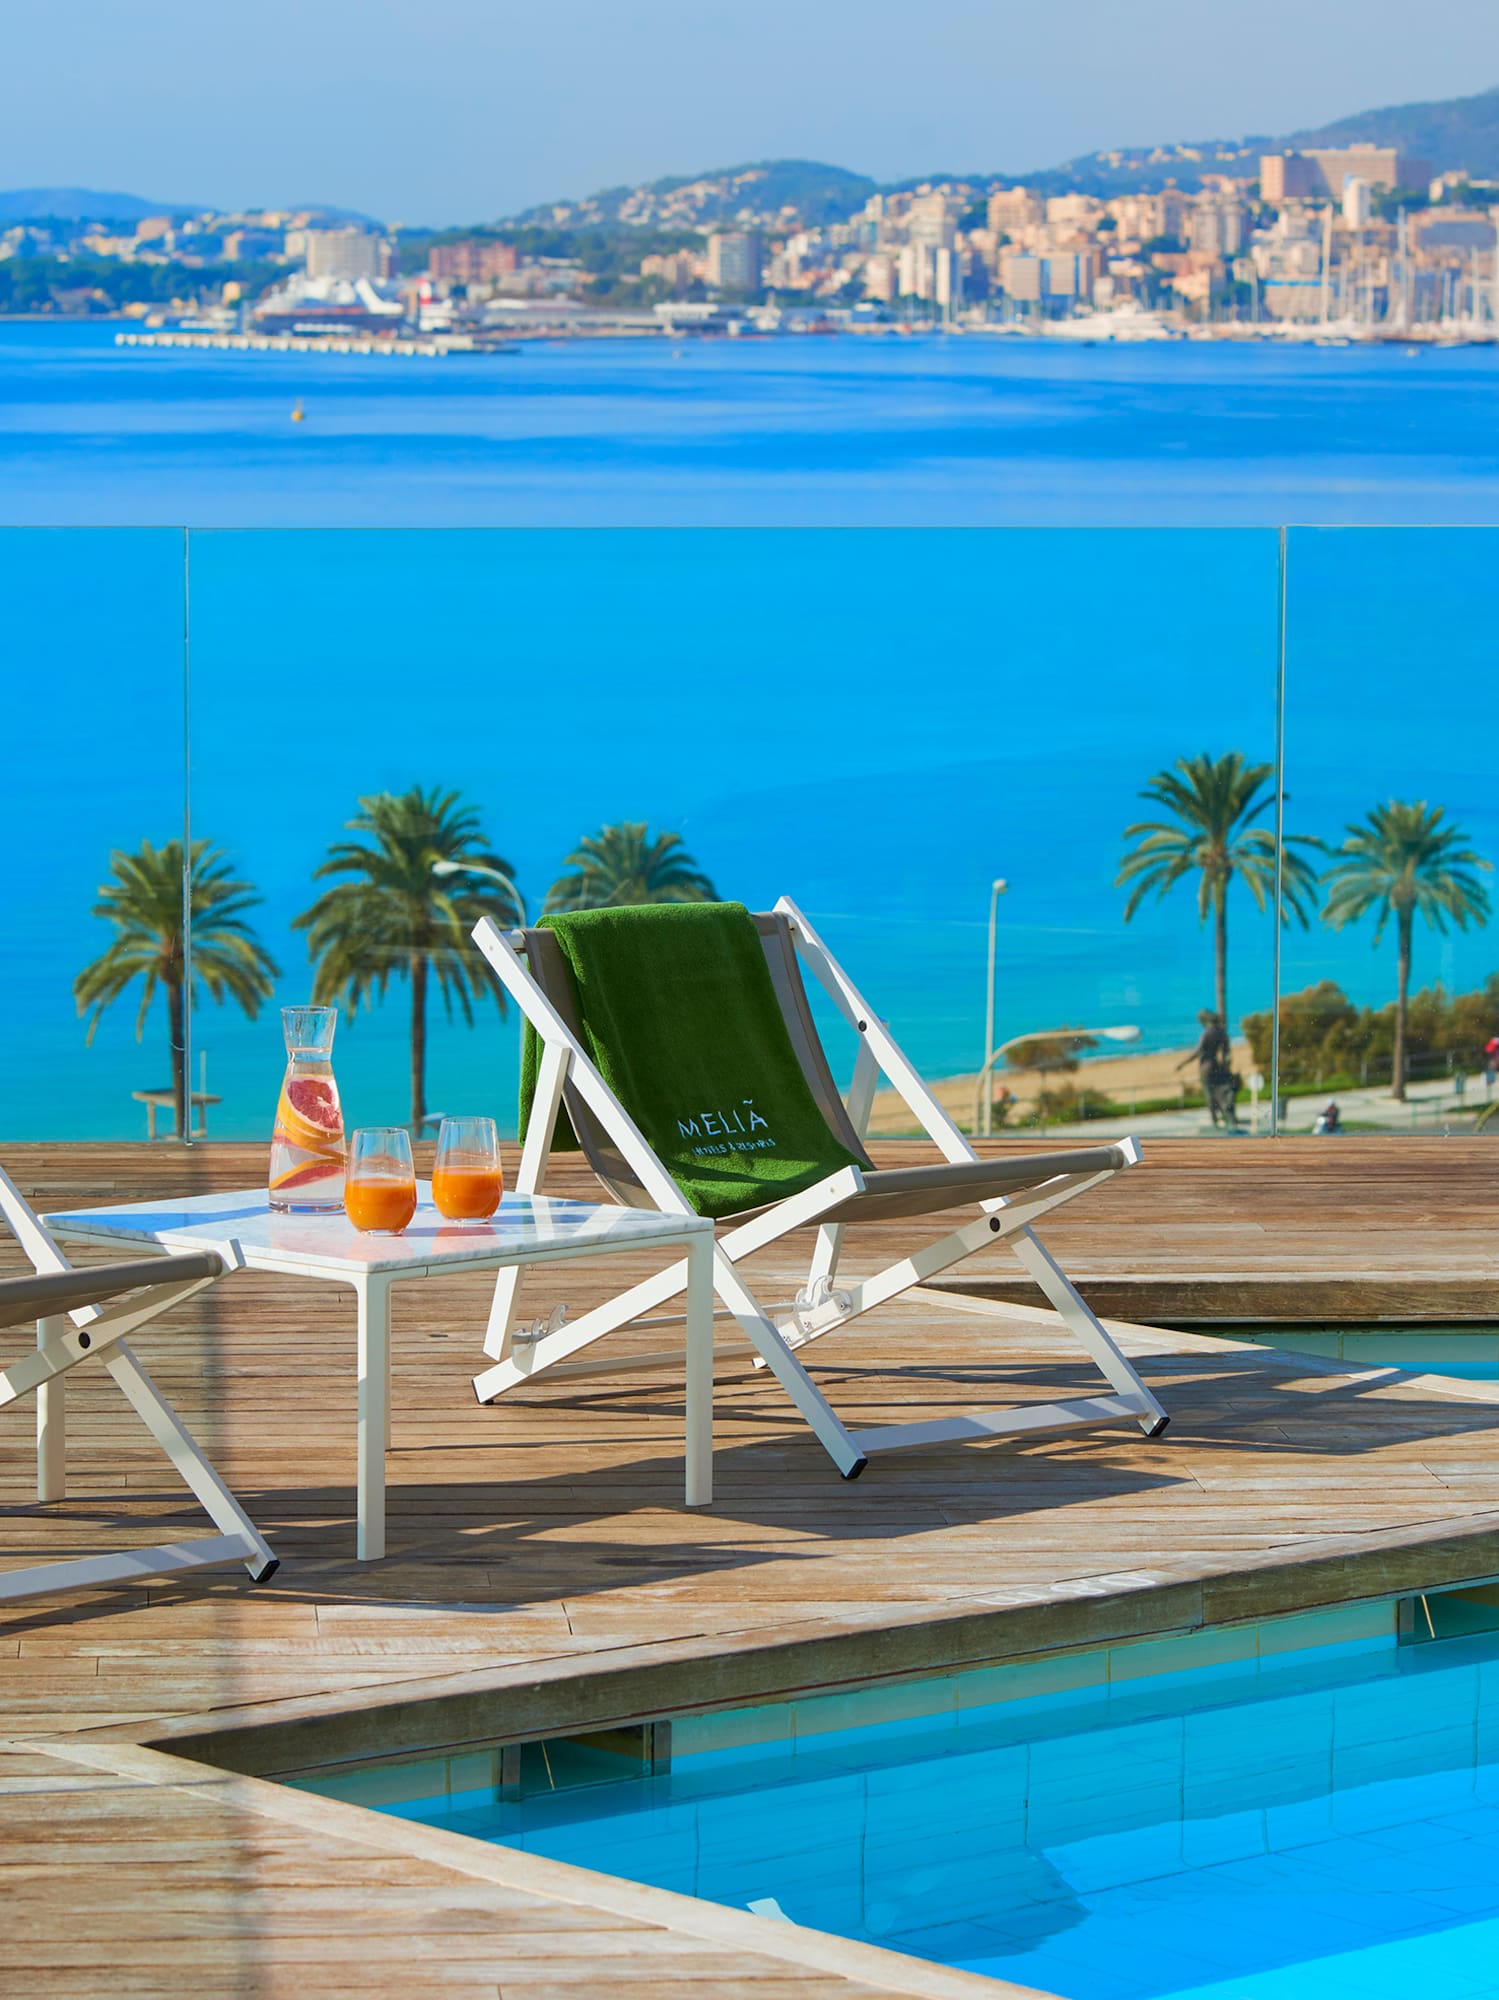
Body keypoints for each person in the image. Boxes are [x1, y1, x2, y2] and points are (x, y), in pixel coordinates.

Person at [1178, 1010, 1239, 1129]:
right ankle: (1225, 1117)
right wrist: (1226, 1065)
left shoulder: (1206, 1034)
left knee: (1210, 1094)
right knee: (1220, 1093)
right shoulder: (1221, 1032)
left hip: (1206, 1067)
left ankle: (1215, 1121)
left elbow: (1197, 1051)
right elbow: (1227, 1053)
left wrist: (1182, 1063)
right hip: (1217, 1066)